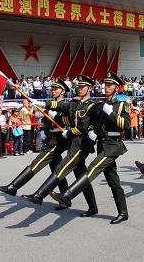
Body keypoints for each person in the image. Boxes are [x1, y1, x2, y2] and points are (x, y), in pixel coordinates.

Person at [51, 72, 131, 224]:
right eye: (106, 84)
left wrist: (111, 112)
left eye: (110, 85)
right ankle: (122, 212)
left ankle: (67, 195)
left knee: (92, 168)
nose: (107, 87)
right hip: (102, 144)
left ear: (116, 88)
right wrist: (94, 132)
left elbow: (125, 125)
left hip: (113, 145)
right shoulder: (100, 104)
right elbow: (95, 124)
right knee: (113, 180)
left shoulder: (121, 104)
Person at [21, 75, 99, 217]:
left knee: (62, 166)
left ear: (90, 89)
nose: (79, 89)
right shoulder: (75, 103)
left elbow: (84, 127)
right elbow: (59, 105)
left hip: (81, 143)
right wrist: (41, 103)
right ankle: (92, 207)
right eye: (79, 86)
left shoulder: (92, 106)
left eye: (82, 87)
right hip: (73, 142)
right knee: (81, 177)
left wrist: (69, 132)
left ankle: (39, 195)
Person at [0, 79, 72, 210]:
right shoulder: (50, 104)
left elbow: (66, 120)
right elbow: (43, 120)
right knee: (57, 170)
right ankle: (65, 199)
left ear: (63, 91)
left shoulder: (66, 104)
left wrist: (56, 116)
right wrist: (43, 131)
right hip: (49, 137)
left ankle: (14, 186)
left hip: (58, 139)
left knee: (38, 162)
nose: (53, 91)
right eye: (52, 89)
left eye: (56, 89)